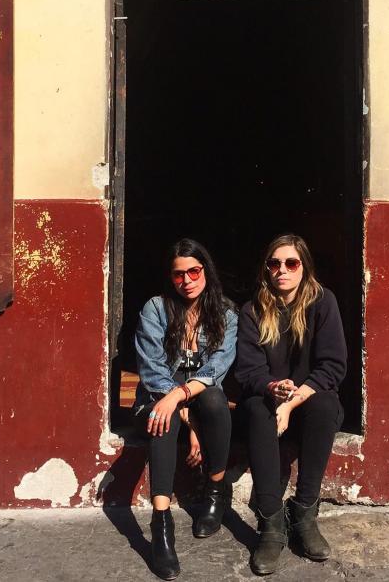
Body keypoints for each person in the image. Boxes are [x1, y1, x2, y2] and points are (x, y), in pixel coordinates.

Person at [235, 234, 347, 575]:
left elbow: (333, 365)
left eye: (291, 263)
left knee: (326, 407)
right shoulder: (253, 310)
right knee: (256, 410)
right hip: (268, 400)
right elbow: (247, 371)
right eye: (275, 263)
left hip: (308, 403)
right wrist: (273, 388)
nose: (282, 270)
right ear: (266, 269)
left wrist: (292, 402)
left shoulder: (322, 302)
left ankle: (304, 514)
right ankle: (270, 523)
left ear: (304, 267)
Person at [134, 238, 238, 580]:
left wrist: (185, 406)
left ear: (205, 270)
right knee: (160, 417)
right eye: (179, 274)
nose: (187, 280)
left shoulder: (225, 312)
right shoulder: (155, 309)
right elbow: (152, 369)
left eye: (194, 271)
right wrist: (178, 407)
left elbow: (217, 369)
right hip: (158, 393)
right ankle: (160, 525)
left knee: (214, 400)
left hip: (196, 394)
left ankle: (216, 489)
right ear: (171, 277)